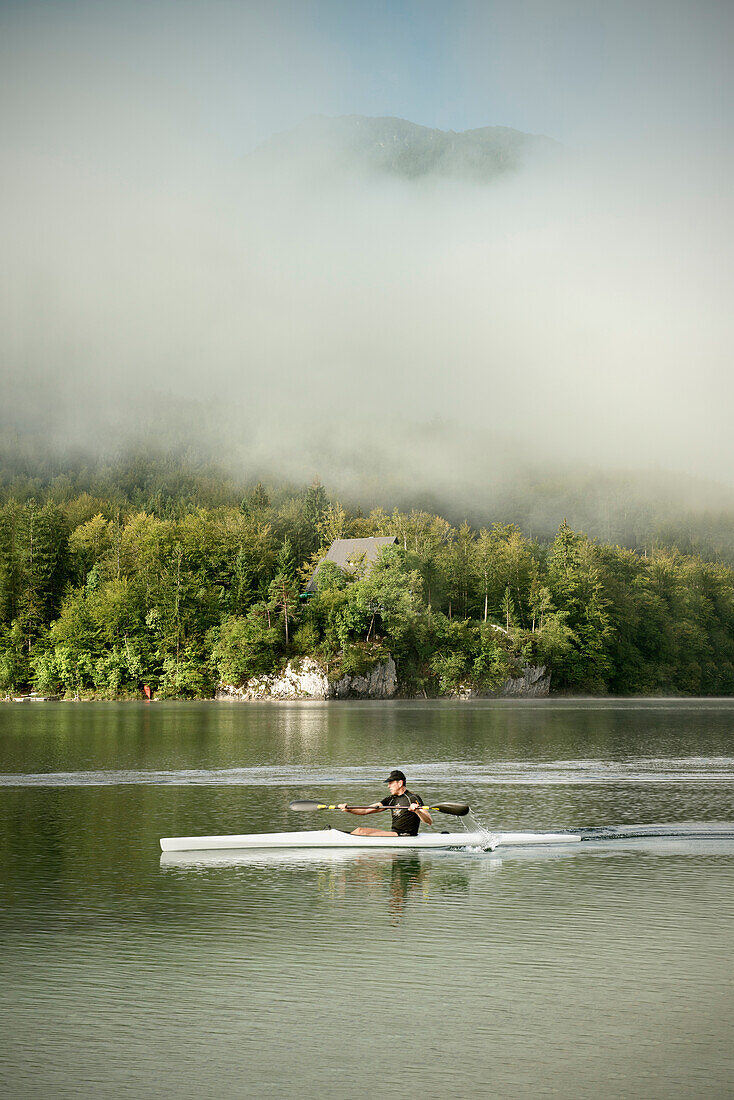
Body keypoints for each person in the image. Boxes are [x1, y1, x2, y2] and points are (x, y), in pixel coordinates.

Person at [338, 769, 433, 837]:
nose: (388, 786)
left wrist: (418, 811)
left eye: (391, 783)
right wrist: (348, 809)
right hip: (394, 834)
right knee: (358, 830)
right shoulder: (391, 800)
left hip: (406, 835)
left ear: (400, 783)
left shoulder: (413, 798)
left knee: (360, 831)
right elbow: (366, 810)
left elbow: (429, 821)